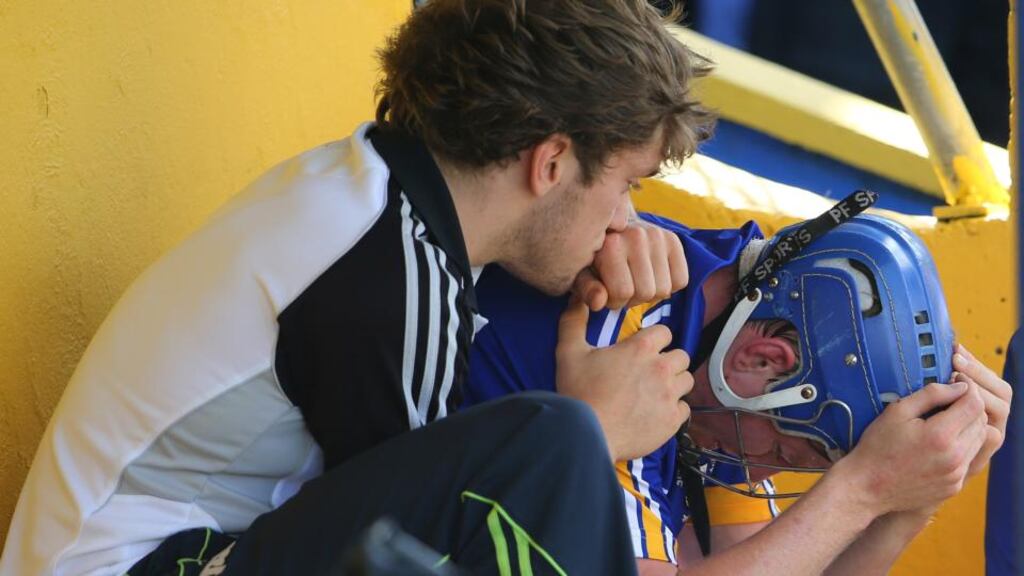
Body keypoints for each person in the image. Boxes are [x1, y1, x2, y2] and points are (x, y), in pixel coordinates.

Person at [0, 2, 712, 575]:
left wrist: (596, 252)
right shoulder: (387, 279)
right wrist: (597, 430)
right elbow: (413, 545)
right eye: (627, 185)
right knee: (554, 440)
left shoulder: (376, 197)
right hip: (137, 566)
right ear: (552, 162)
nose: (625, 220)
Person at [466, 209, 1011, 575]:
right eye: (783, 452)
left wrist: (915, 496)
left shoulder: (724, 343)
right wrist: (864, 490)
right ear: (763, 359)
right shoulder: (622, 347)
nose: (764, 474)